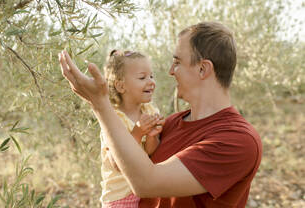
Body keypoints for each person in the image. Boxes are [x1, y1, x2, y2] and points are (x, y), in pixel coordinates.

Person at [59, 21, 262, 208]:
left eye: (177, 62)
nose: (170, 71)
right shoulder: (171, 122)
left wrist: (99, 104)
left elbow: (146, 183)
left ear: (203, 69)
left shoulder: (238, 140)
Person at [101, 49, 164, 207]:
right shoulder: (114, 119)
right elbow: (116, 163)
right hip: (120, 197)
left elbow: (149, 152)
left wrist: (152, 135)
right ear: (121, 86)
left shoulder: (150, 111)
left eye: (151, 76)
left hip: (145, 190)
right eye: (142, 77)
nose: (151, 81)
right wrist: (137, 133)